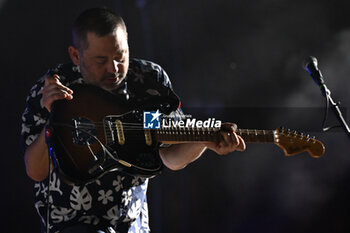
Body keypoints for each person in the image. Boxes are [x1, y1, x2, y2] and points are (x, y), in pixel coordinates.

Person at [20, 7, 246, 233]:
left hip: (130, 225)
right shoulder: (51, 89)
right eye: (101, 60)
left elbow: (169, 158)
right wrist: (54, 116)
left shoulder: (149, 82)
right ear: (76, 55)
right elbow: (35, 170)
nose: (114, 69)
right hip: (71, 226)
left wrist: (203, 140)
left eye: (121, 56)